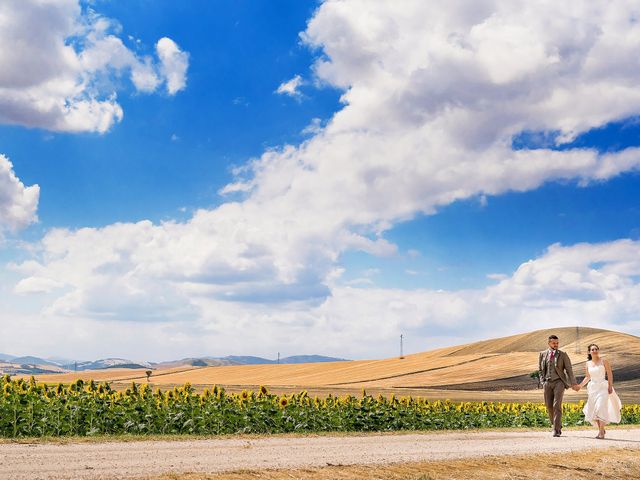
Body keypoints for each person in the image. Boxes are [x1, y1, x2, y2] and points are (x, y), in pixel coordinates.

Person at [577, 343, 622, 439]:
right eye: (592, 349)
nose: (595, 351)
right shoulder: (588, 363)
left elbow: (609, 374)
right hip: (592, 388)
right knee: (594, 410)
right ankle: (601, 429)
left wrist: (610, 386)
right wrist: (580, 386)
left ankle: (601, 432)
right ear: (589, 352)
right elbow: (587, 377)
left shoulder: (604, 361)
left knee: (600, 407)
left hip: (603, 387)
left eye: (596, 349)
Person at [538, 334, 580, 437]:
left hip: (559, 382)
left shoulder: (563, 354)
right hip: (547, 382)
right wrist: (542, 381)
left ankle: (556, 430)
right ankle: (557, 424)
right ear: (549, 343)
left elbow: (569, 370)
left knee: (556, 405)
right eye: (553, 343)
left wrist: (573, 383)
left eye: (557, 343)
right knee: (548, 406)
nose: (556, 344)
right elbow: (540, 369)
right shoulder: (542, 354)